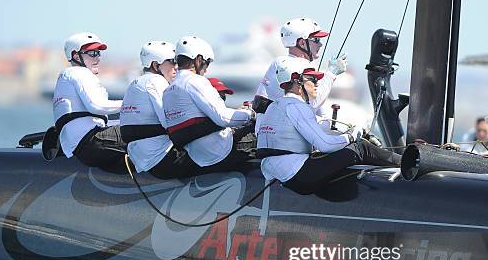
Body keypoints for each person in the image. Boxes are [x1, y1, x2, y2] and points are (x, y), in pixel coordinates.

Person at [256, 58, 401, 195]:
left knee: (330, 153)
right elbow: (325, 144)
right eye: (312, 79)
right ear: (297, 81)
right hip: (300, 176)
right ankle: (407, 163)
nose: (317, 83)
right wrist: (351, 137)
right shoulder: (297, 106)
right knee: (360, 147)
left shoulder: (274, 106)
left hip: (279, 172)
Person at [162, 36, 256, 175]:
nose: (206, 69)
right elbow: (223, 118)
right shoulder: (195, 81)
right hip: (219, 152)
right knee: (267, 132)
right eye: (207, 62)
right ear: (198, 60)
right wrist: (252, 114)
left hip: (197, 157)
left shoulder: (168, 90)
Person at [119, 41, 202, 179]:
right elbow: (169, 120)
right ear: (155, 65)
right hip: (163, 159)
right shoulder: (156, 81)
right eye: (172, 62)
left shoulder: (136, 83)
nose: (177, 67)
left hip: (143, 158)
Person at [53, 32, 124, 168]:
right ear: (75, 56)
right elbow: (97, 106)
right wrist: (132, 105)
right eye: (92, 53)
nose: (97, 57)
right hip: (91, 141)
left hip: (81, 146)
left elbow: (92, 116)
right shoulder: (79, 72)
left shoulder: (67, 76)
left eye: (98, 53)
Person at [253, 17, 347, 117]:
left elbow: (319, 111)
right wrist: (332, 73)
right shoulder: (287, 65)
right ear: (302, 43)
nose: (320, 44)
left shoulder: (285, 63)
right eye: (316, 40)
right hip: (281, 127)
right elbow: (313, 103)